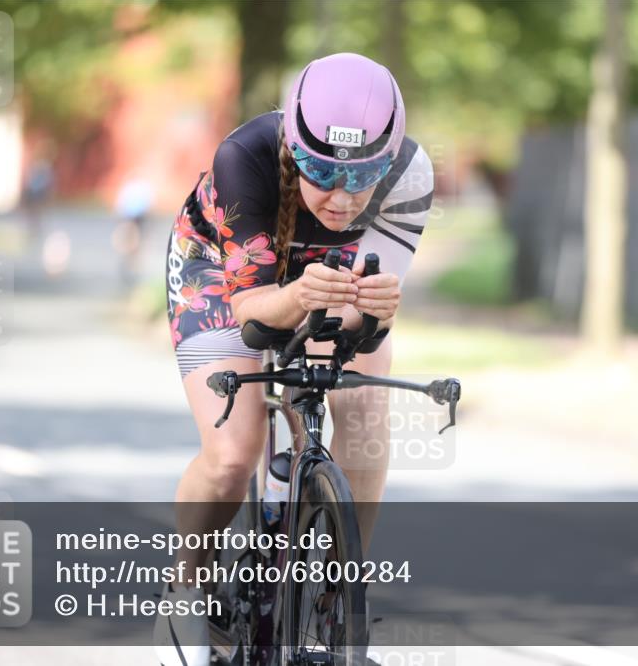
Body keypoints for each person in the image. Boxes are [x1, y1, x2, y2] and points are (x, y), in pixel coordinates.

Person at [156, 52, 434, 666]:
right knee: (233, 454)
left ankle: (343, 596)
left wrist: (377, 308)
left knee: (361, 403)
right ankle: (185, 587)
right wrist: (298, 295)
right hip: (222, 272)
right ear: (291, 146)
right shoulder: (244, 157)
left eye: (362, 177)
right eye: (319, 171)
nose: (341, 198)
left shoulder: (411, 174)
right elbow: (254, 314)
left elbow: (366, 317)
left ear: (387, 162)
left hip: (328, 283)